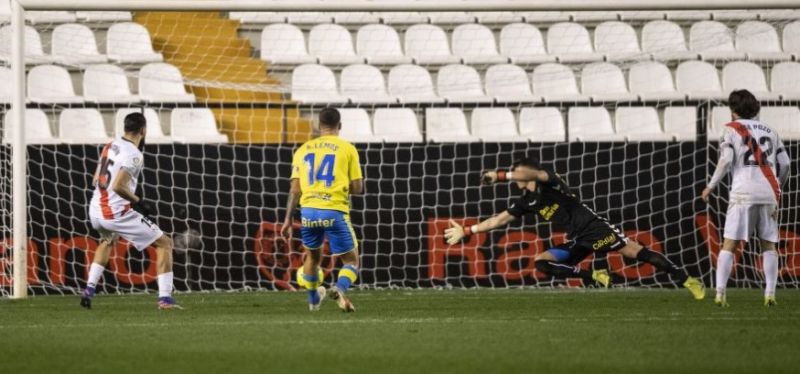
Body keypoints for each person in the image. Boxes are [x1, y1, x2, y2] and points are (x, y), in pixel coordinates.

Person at [444, 157, 705, 300]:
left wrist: (501, 175)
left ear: (528, 172)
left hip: (595, 229)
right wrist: (468, 231)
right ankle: (594, 276)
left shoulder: (550, 182)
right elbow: (498, 220)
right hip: (579, 239)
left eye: (519, 172)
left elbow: (533, 175)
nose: (517, 177)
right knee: (542, 263)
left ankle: (687, 280)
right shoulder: (527, 202)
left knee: (634, 252)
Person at [702, 89, 791, 307]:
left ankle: (720, 294)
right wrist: (777, 187)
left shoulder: (730, 129)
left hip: (743, 192)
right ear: (755, 109)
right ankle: (770, 294)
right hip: (769, 192)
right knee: (768, 244)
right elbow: (786, 164)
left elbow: (726, 159)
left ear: (733, 111)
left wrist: (711, 186)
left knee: (729, 244)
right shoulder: (771, 130)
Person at [81, 112, 179, 310]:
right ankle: (165, 299)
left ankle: (89, 290)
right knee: (165, 243)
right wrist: (139, 202)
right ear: (143, 130)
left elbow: (95, 180)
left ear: (125, 128)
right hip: (115, 213)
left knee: (108, 241)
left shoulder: (111, 145)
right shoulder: (134, 154)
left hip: (96, 209)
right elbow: (118, 186)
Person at [281, 108, 363, 312]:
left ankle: (313, 299)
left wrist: (287, 220)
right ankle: (340, 288)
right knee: (351, 260)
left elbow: (294, 189)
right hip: (333, 210)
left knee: (313, 258)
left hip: (308, 212)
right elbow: (358, 188)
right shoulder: (347, 148)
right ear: (340, 126)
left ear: (319, 126)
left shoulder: (303, 149)